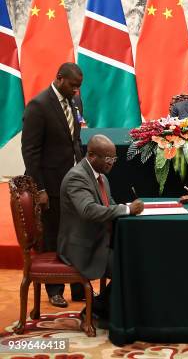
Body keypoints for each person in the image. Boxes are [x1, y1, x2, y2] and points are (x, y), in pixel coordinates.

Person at [57, 135, 144, 325]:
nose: (112, 163)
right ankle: (95, 310)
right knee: (128, 266)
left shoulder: (102, 177)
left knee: (137, 260)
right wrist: (128, 209)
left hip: (100, 240)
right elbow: (88, 210)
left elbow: (109, 207)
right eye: (108, 158)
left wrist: (128, 209)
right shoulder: (77, 177)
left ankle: (105, 309)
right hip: (81, 247)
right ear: (91, 155)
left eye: (114, 158)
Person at [21, 62, 85, 307]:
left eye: (79, 87)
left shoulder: (75, 101)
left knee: (78, 232)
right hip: (49, 183)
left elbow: (75, 142)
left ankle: (80, 288)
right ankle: (54, 289)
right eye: (72, 85)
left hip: (74, 182)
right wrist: (40, 189)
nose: (76, 91)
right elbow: (30, 152)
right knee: (53, 236)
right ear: (59, 79)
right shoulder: (38, 106)